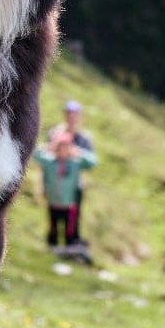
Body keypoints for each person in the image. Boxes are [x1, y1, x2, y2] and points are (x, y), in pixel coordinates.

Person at [33, 122, 96, 252]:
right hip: (53, 202)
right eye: (60, 146)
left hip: (69, 203)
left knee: (69, 228)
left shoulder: (74, 163)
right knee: (54, 226)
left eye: (66, 147)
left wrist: (78, 152)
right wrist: (49, 147)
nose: (63, 150)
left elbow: (92, 162)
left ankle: (69, 248)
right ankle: (52, 247)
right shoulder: (50, 162)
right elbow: (35, 154)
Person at [46, 100, 94, 244]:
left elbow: (90, 161)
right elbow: (47, 156)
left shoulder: (84, 138)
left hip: (74, 185)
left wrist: (75, 154)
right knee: (53, 214)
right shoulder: (55, 133)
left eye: (74, 114)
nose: (71, 117)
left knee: (73, 216)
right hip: (54, 183)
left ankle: (71, 242)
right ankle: (53, 242)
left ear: (79, 116)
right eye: (69, 113)